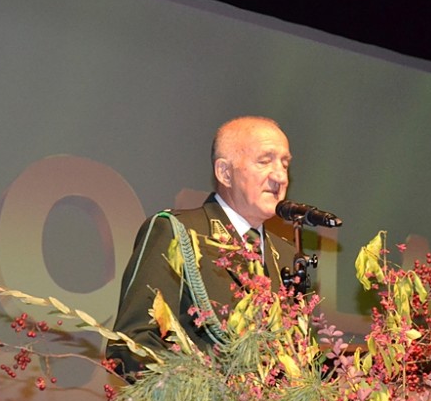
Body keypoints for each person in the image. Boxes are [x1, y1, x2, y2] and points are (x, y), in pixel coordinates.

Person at [108, 116, 296, 380]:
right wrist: (200, 395)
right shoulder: (176, 232)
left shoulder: (287, 256)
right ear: (225, 173)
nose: (280, 176)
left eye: (285, 164)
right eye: (265, 161)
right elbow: (132, 345)